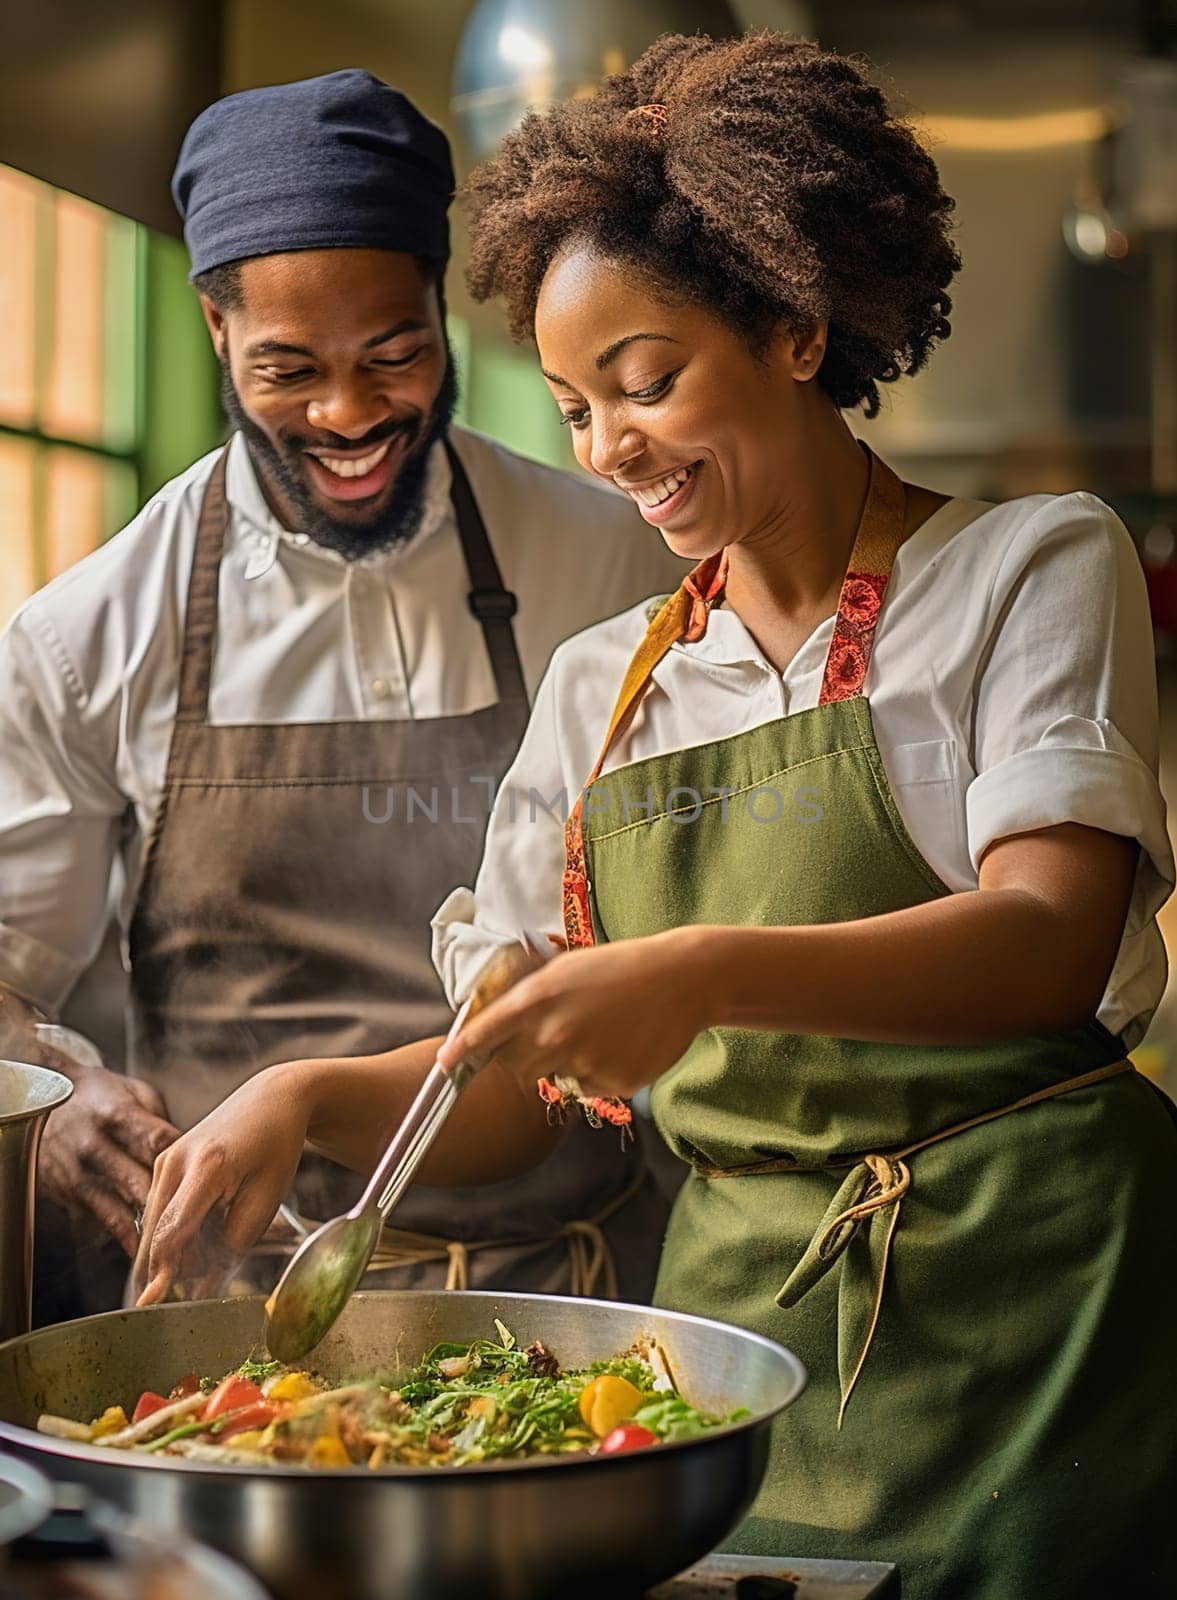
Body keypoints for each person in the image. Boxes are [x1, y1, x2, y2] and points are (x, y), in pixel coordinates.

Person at [134, 34, 1177, 1599]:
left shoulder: (1026, 568)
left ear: (797, 328)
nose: (611, 448)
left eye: (647, 382)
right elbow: (536, 1088)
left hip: (1045, 1316)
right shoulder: (600, 690)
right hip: (733, 1356)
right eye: (569, 408)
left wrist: (692, 969)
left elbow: (1045, 938)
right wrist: (316, 1094)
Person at [0, 68, 684, 1320]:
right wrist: (48, 1096)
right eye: (287, 368)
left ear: (443, 313)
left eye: (394, 355)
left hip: (580, 1295)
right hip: (233, 1323)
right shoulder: (87, 632)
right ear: (214, 332)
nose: (349, 414)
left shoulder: (613, 557)